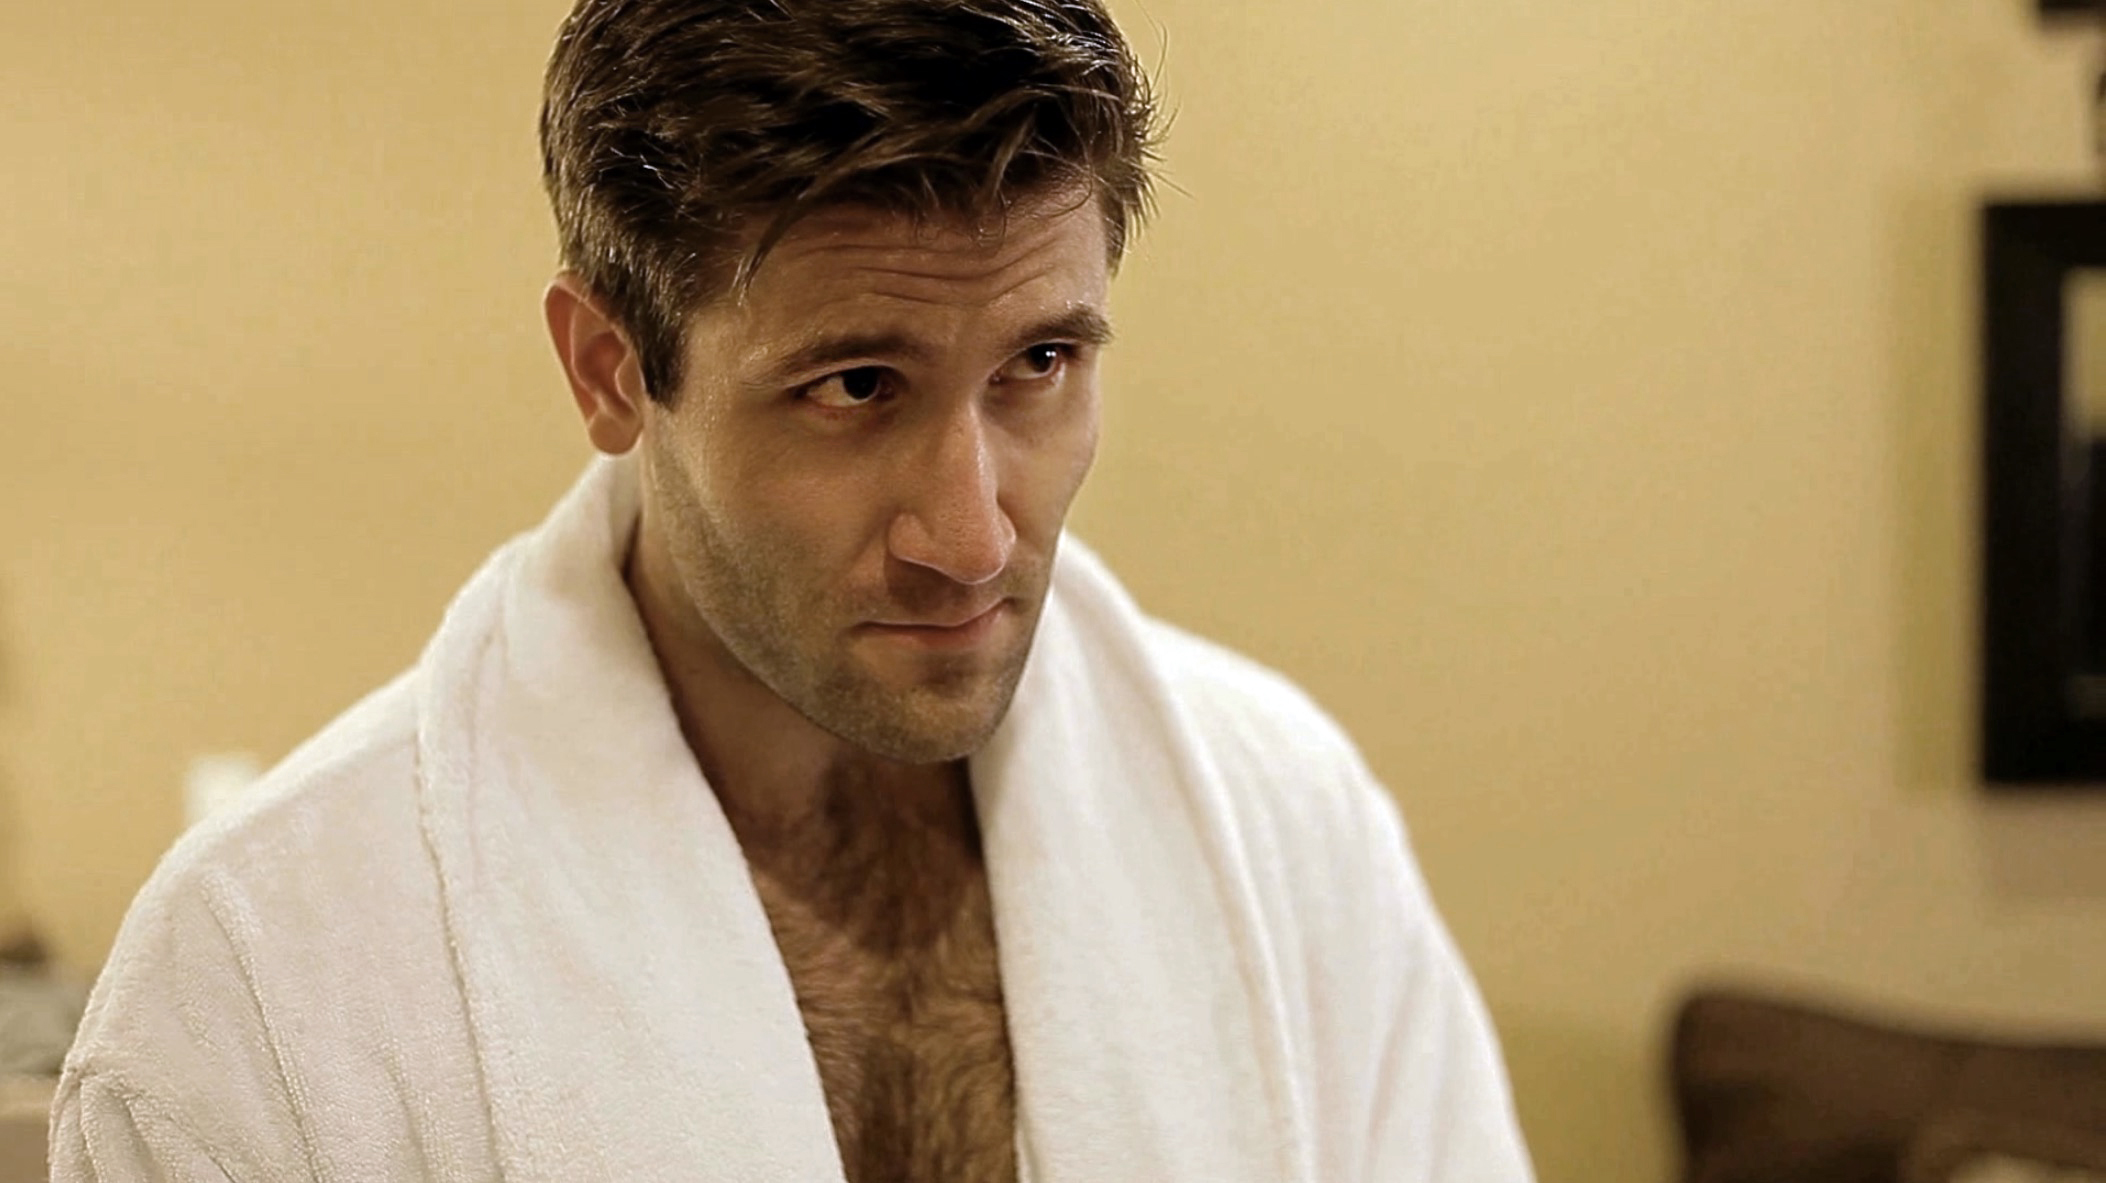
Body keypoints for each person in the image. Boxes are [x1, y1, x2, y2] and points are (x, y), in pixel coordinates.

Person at [51, 1, 1535, 1179]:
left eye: (1040, 363)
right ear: (609, 369)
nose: (972, 537)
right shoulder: (262, 984)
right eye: (856, 386)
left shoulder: (1286, 826)